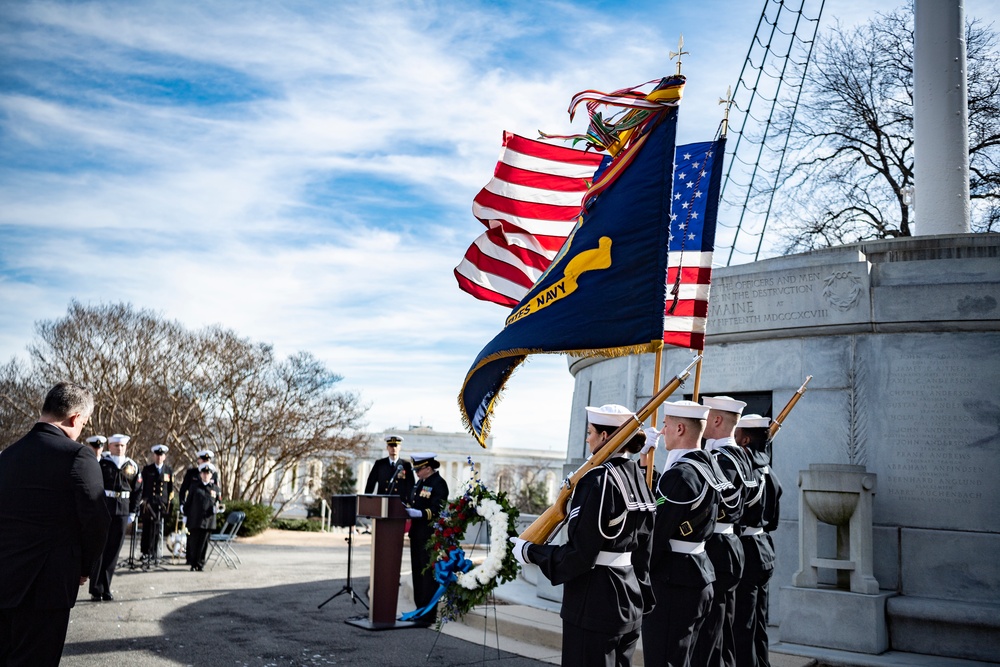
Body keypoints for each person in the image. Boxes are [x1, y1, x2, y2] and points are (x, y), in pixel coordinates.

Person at [510, 404, 657, 667]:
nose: (587, 438)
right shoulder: (639, 476)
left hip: (595, 603)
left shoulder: (597, 480)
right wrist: (643, 596)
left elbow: (580, 554)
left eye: (590, 432)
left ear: (604, 437)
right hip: (629, 600)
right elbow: (644, 550)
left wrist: (531, 552)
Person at [0, 382, 109, 667]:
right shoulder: (77, 455)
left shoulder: (7, 457)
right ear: (75, 418)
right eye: (84, 422)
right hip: (47, 586)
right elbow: (97, 521)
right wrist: (84, 568)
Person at [642, 400, 733, 667]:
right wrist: (646, 460)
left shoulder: (681, 474)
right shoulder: (708, 466)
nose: (662, 430)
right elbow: (666, 497)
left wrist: (641, 575)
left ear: (680, 428)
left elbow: (656, 531)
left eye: (666, 425)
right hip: (698, 575)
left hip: (674, 582)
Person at [693, 396, 751, 667]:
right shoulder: (740, 454)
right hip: (729, 544)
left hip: (716, 546)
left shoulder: (718, 458)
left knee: (709, 633)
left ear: (716, 420)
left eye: (706, 416)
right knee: (723, 626)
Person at [733, 414, 782, 667]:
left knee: (743, 625)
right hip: (764, 547)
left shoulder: (747, 472)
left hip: (748, 551)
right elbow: (773, 520)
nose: (734, 436)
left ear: (746, 439)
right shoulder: (770, 473)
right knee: (758, 622)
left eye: (737, 433)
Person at [90, 433, 141, 601]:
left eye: (122, 446)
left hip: (123, 510)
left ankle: (106, 587)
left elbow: (137, 491)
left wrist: (133, 512)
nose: (119, 449)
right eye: (116, 446)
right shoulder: (102, 463)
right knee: (101, 547)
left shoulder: (132, 465)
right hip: (105, 508)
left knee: (114, 550)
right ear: (110, 447)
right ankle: (96, 588)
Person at [403, 452, 449, 626]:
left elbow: (437, 509)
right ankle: (419, 610)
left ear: (428, 468)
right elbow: (414, 503)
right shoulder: (420, 483)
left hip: (430, 537)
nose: (416, 473)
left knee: (428, 577)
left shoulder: (439, 484)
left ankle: (428, 615)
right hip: (416, 534)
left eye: (418, 469)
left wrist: (419, 513)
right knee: (417, 573)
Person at [138, 443, 173, 563]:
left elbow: (170, 489)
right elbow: (142, 486)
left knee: (157, 529)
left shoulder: (168, 470)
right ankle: (145, 552)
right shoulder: (148, 470)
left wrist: (169, 503)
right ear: (154, 456)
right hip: (149, 503)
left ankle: (154, 552)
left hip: (161, 504)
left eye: (161, 455)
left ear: (164, 457)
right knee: (147, 528)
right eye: (157, 455)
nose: (159, 457)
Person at [183, 462, 222, 571]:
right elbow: (188, 502)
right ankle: (193, 563)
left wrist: (217, 508)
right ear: (200, 474)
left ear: (211, 475)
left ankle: (200, 563)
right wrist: (185, 515)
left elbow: (219, 502)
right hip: (195, 519)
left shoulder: (215, 489)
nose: (205, 475)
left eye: (208, 473)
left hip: (208, 520)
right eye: (204, 473)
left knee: (203, 544)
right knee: (194, 542)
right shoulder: (194, 487)